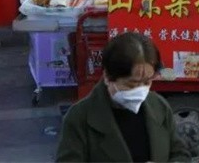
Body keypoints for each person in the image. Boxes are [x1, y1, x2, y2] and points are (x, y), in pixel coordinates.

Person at [56, 32, 189, 163]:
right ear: (108, 77)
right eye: (131, 84)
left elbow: (180, 154)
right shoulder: (80, 118)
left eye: (146, 82)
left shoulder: (159, 106)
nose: (140, 91)